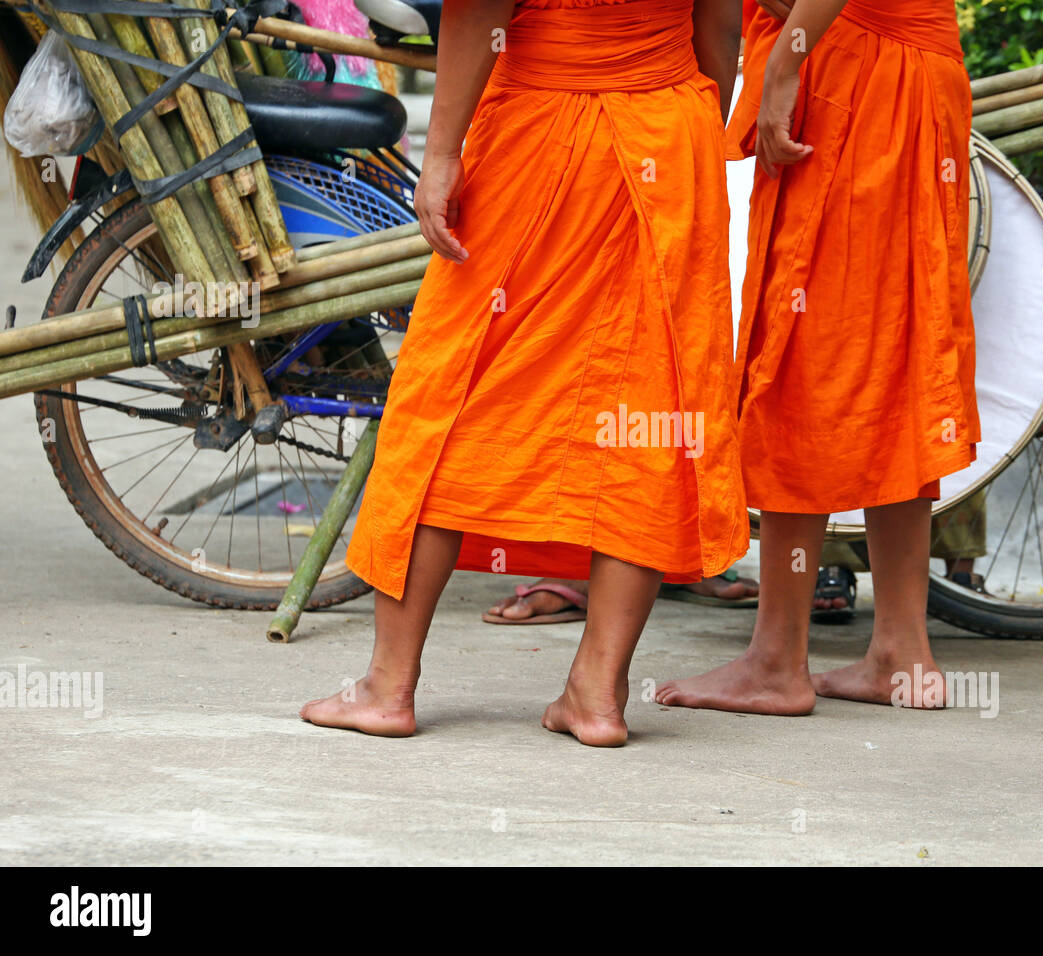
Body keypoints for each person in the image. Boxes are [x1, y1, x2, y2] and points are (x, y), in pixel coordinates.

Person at [300, 0, 748, 746]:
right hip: (670, 129)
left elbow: (479, 11)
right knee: (649, 403)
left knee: (455, 390)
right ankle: (598, 696)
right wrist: (680, 127)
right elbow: (722, 25)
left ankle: (387, 686)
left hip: (542, 135)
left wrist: (440, 153)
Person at [656, 0, 980, 713]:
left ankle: (777, 659)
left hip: (859, 78)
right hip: (901, 76)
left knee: (801, 360)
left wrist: (785, 62)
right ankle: (901, 651)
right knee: (896, 356)